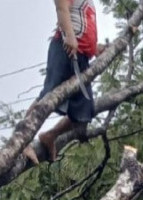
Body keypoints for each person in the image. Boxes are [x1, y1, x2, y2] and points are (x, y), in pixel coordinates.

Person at [24, 0, 102, 165]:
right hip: (65, 49)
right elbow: (61, 7)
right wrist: (69, 36)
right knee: (49, 96)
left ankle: (50, 135)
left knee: (84, 112)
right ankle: (24, 141)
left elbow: (81, 23)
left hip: (81, 57)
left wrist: (96, 49)